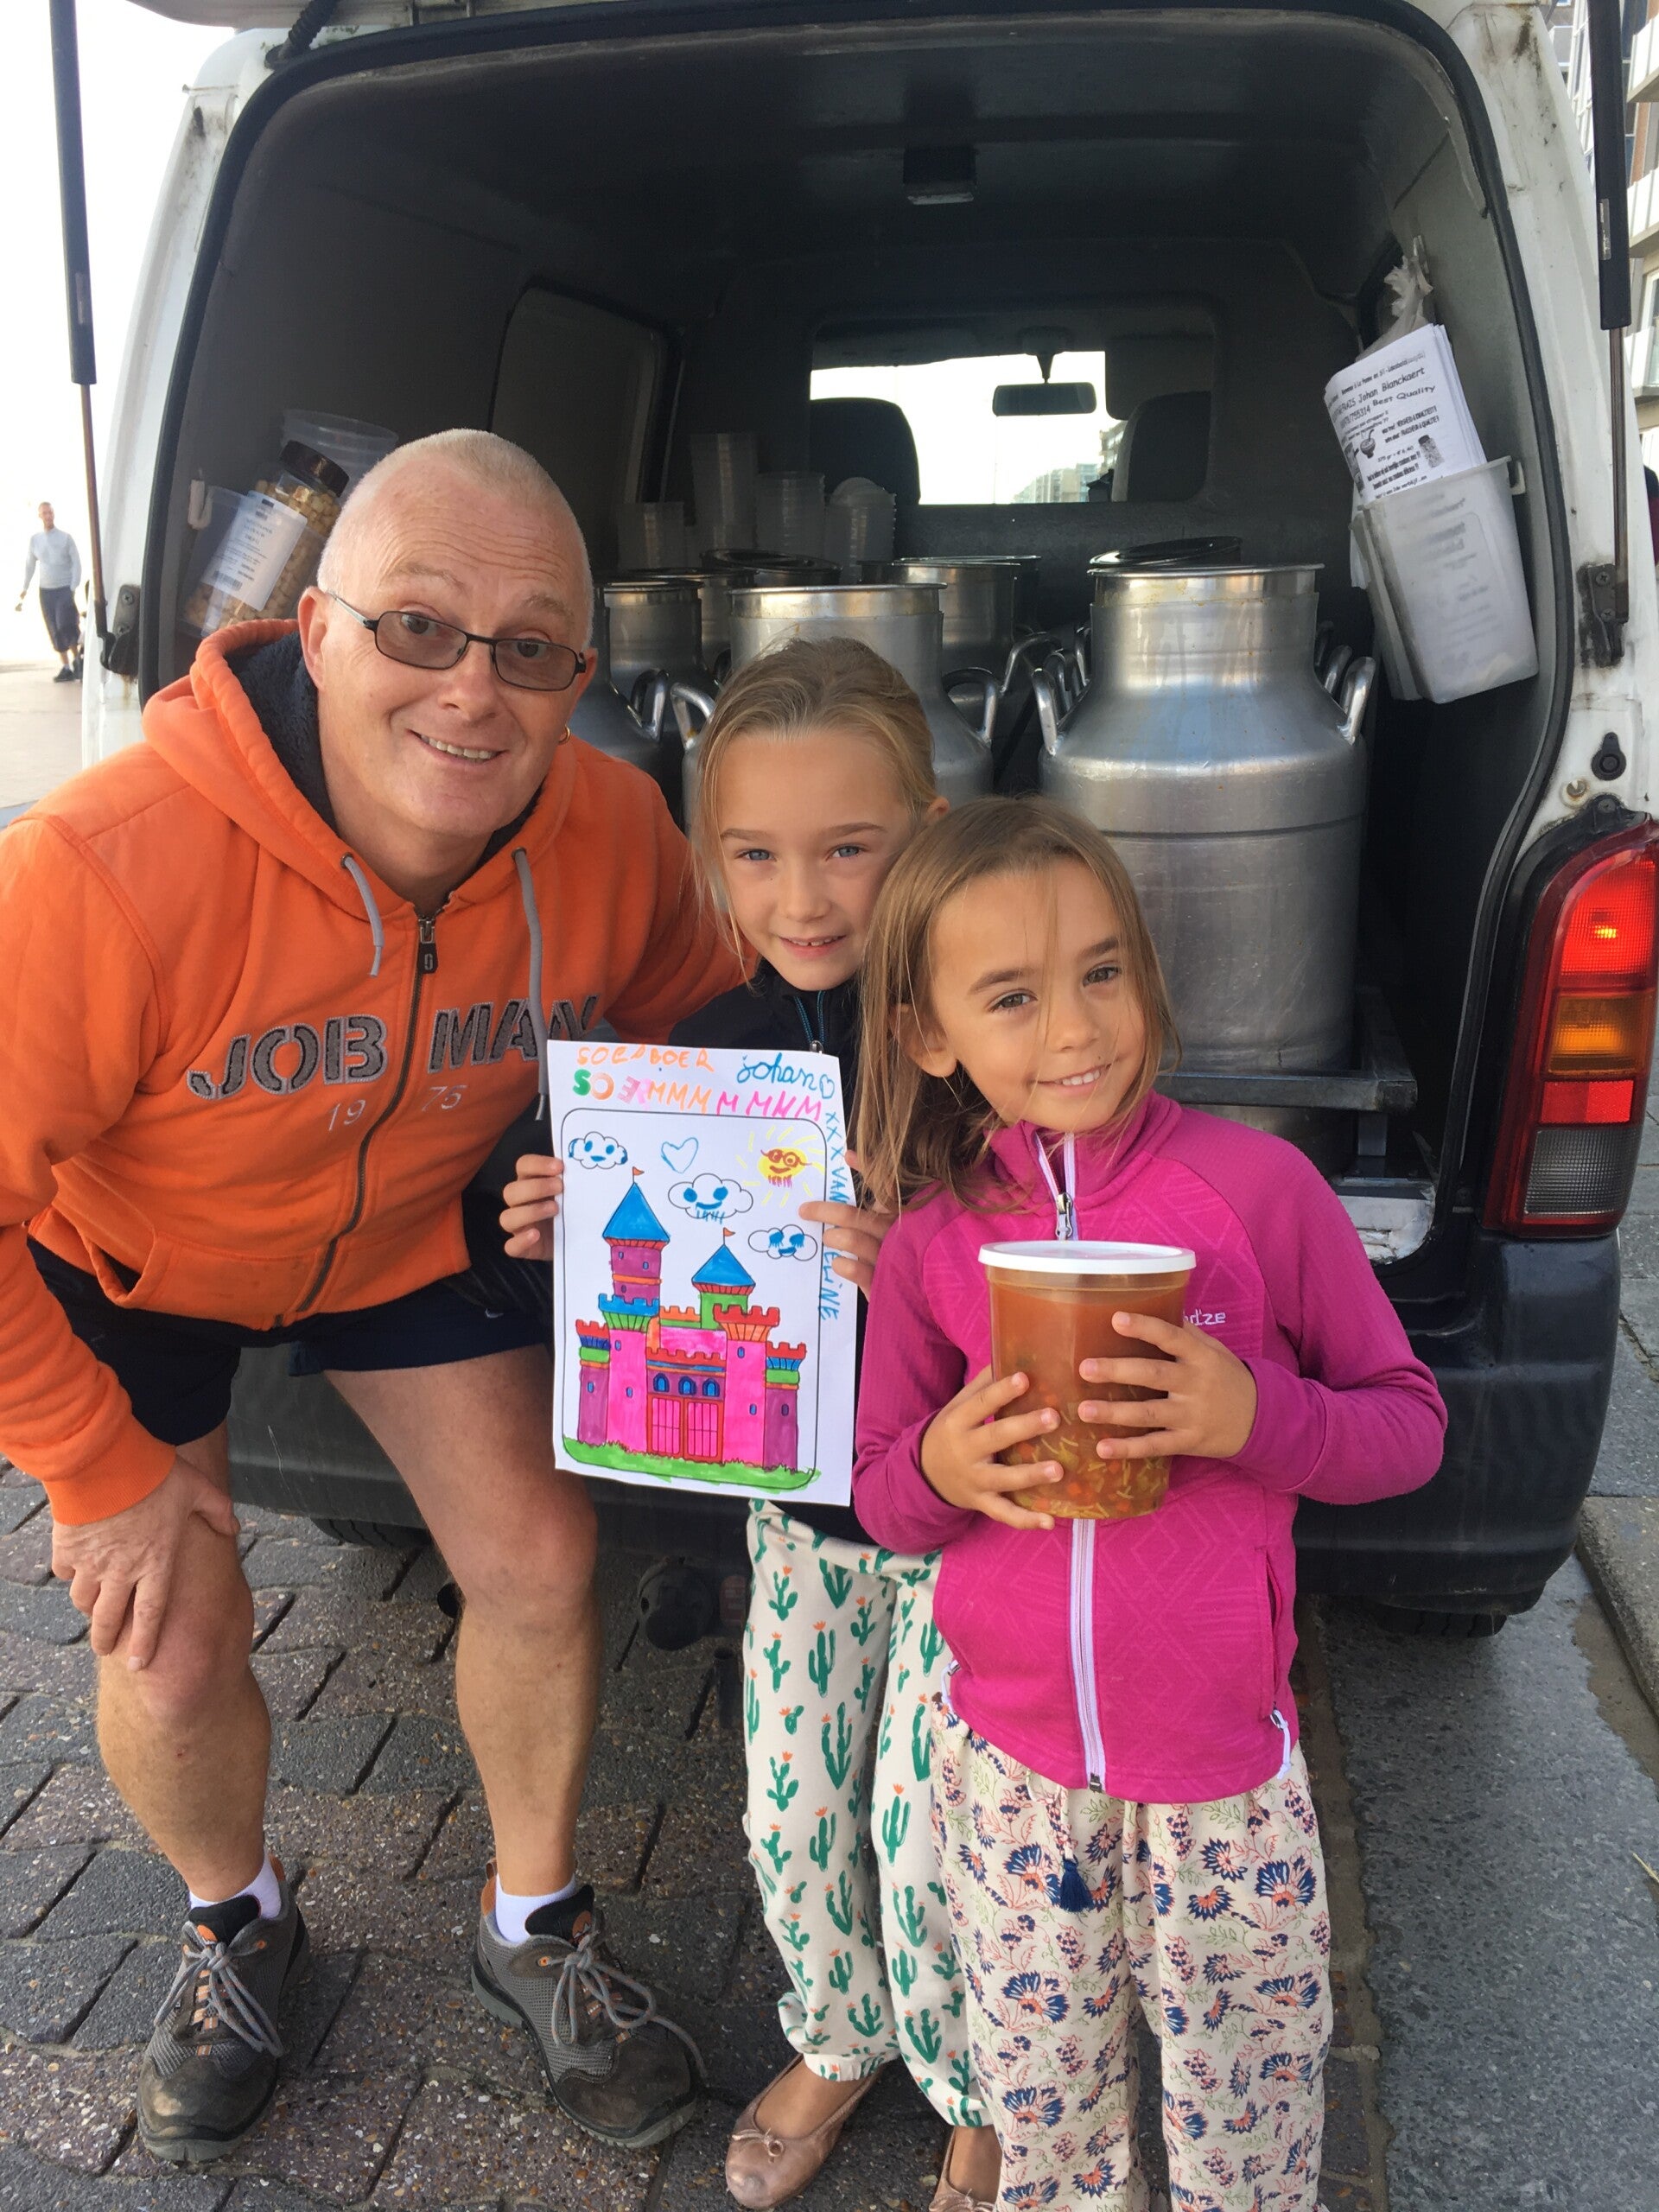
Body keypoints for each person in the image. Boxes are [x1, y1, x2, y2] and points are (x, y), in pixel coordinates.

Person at [0, 429, 742, 2168]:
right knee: (172, 1636)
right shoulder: (98, 865)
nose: (472, 690)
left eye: (529, 648)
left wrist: (632, 1170)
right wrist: (91, 1468)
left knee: (542, 1556)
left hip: (410, 1227)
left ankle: (534, 1920)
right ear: (317, 632)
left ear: (579, 677)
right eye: (419, 627)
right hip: (140, 1256)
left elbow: (712, 1041)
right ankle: (235, 1920)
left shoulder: (614, 830)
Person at [849, 798, 1447, 2212]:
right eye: (1013, 995)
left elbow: (1409, 1428)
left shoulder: (1259, 1189)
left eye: (1103, 970)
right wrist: (941, 1470)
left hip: (1222, 1776)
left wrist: (1257, 1417)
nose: (1076, 1027)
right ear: (929, 1036)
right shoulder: (933, 1244)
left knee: (1250, 2107)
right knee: (1049, 2113)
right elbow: (880, 1497)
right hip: (1015, 1775)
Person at [499, 638, 1003, 2211]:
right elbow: (618, 1278)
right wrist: (556, 1221)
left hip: (979, 1526)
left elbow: (1081, 1249)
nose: (806, 898)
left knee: (938, 1829)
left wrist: (927, 1252)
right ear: (710, 857)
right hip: (803, 1523)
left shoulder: (993, 1041)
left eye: (850, 848)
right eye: (758, 856)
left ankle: (983, 2085)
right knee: (790, 1812)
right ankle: (843, 2036)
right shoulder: (705, 1048)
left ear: (925, 830)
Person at [16, 500, 83, 680]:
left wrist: (73, 586)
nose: (48, 516)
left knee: (66, 624)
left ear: (54, 514)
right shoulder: (35, 540)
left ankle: (78, 661)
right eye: (45, 513)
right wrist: (25, 588)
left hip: (64, 589)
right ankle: (66, 667)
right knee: (54, 628)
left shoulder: (65, 538)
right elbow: (30, 565)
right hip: (46, 591)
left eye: (50, 512)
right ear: (40, 516)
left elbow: (76, 562)